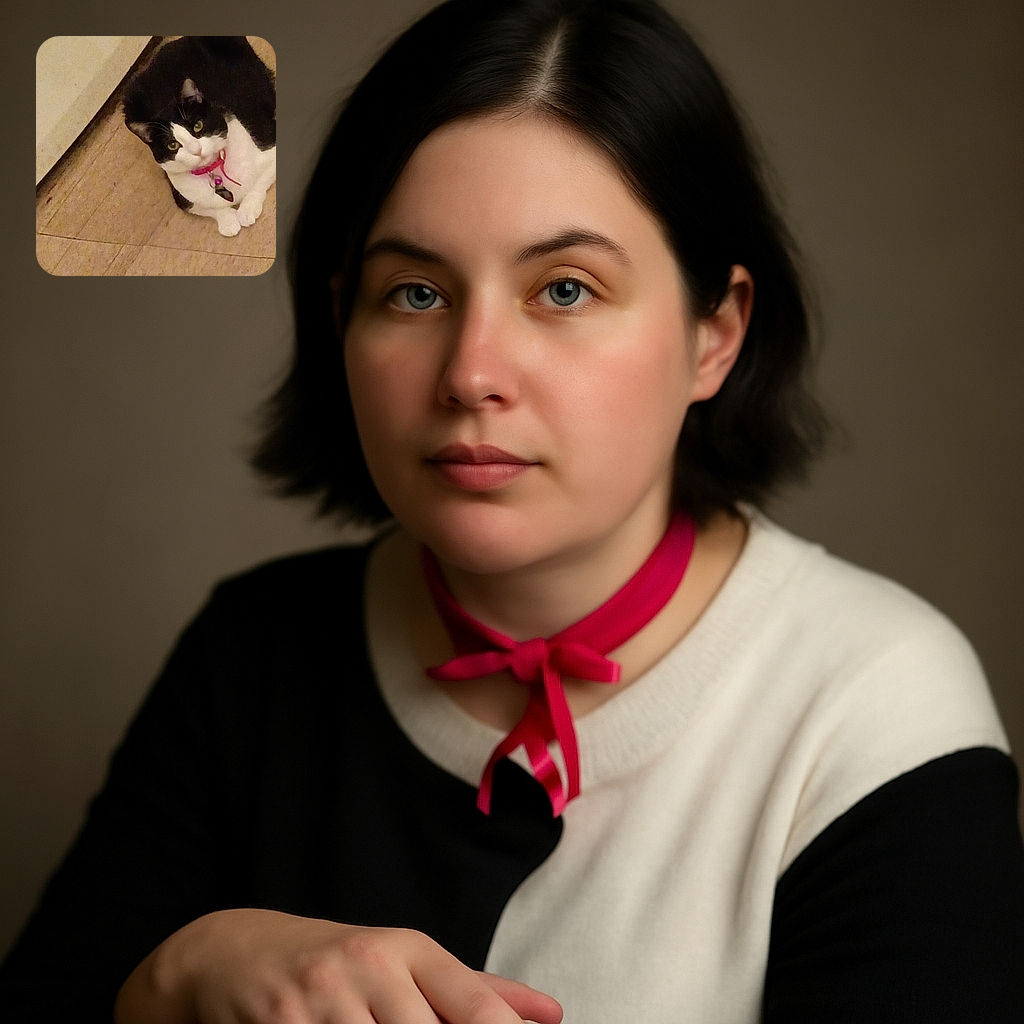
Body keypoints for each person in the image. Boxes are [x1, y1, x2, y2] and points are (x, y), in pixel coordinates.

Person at [2, 0, 1022, 1020]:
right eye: (412, 292)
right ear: (335, 320)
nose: (472, 372)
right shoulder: (252, 653)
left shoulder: (872, 708)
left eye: (565, 290)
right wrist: (178, 973)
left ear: (715, 332)